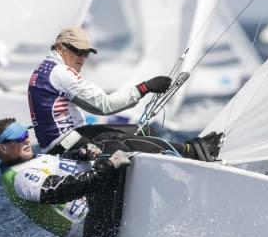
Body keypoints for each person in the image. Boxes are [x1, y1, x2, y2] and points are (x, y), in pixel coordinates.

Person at [28, 26, 172, 151]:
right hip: (67, 144)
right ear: (60, 48)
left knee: (139, 133)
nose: (82, 58)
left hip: (59, 143)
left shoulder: (43, 69)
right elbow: (105, 105)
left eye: (86, 54)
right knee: (142, 133)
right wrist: (144, 87)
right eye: (78, 52)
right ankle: (189, 152)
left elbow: (96, 108)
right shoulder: (60, 72)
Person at [0, 117, 131, 237]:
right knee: (116, 145)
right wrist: (105, 168)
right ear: (3, 148)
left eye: (26, 134)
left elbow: (58, 166)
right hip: (91, 227)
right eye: (18, 138)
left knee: (110, 138)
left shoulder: (34, 160)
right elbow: (61, 190)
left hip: (96, 205)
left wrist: (80, 154)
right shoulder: (19, 178)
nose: (26, 139)